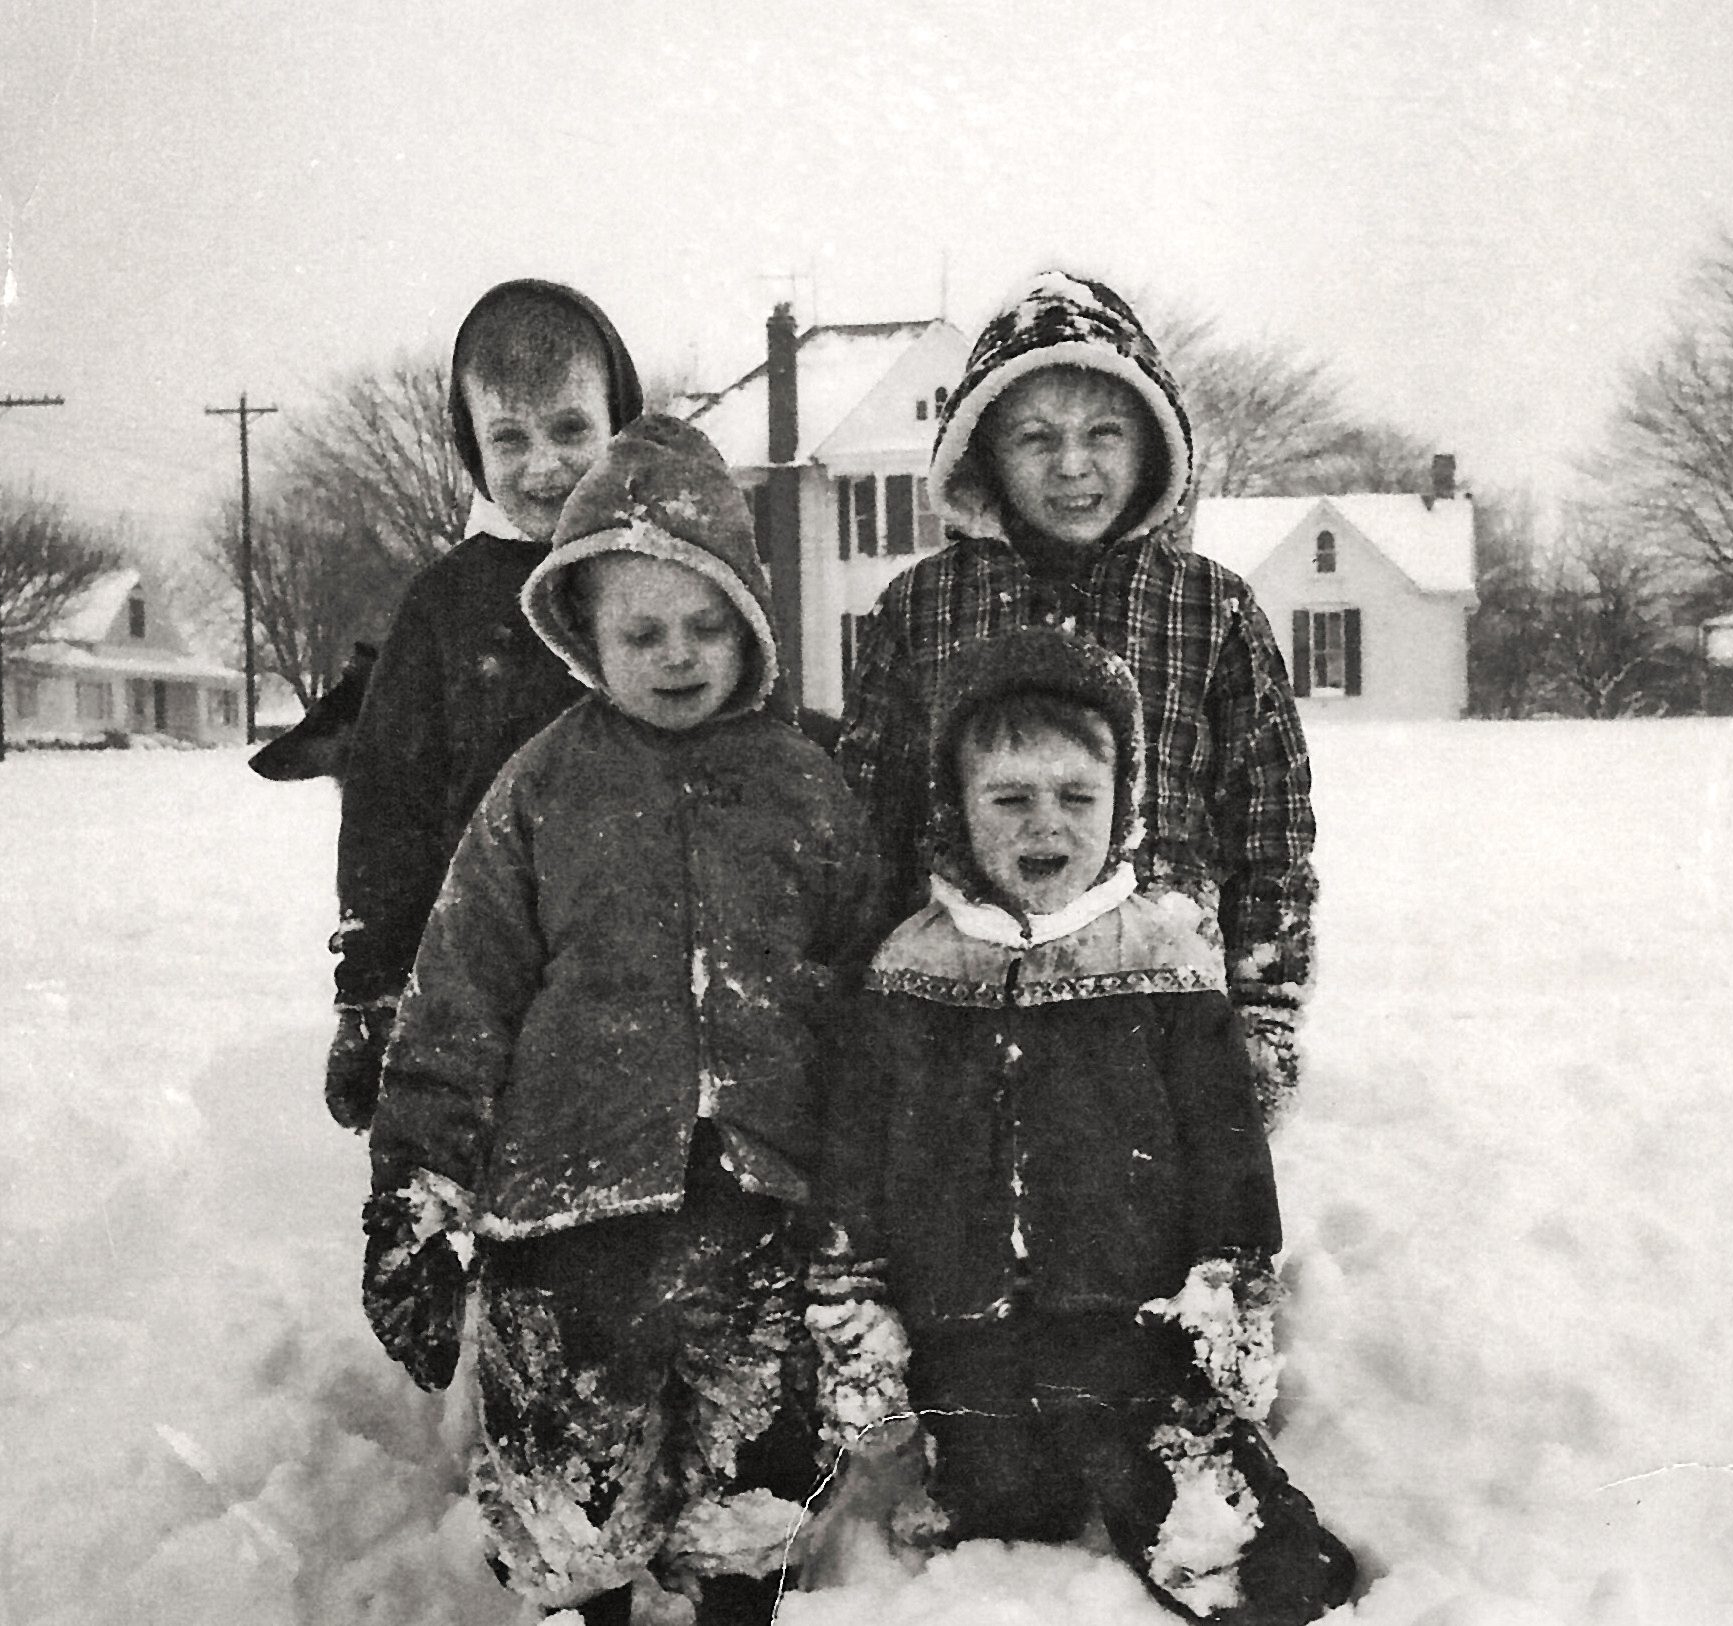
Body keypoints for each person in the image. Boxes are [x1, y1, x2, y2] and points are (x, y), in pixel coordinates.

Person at [361, 413, 876, 1625]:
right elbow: (462, 994)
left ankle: (738, 1596)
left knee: (758, 1481)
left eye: (707, 625)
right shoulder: (538, 788)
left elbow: (863, 998)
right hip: (567, 1220)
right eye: (642, 630)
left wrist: (869, 1184)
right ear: (585, 637)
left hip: (760, 1211)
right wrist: (418, 1190)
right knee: (566, 1496)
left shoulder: (812, 785)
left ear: (751, 620)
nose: (680, 655)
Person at [812, 628, 1356, 1626]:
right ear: (954, 807)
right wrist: (858, 1317)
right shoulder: (908, 969)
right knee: (990, 1561)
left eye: (1075, 797)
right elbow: (856, 1163)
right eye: (1008, 798)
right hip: (962, 1350)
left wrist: (1229, 1283)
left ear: (1125, 803)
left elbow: (1224, 1154)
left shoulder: (1164, 955)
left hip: (1134, 1351)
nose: (1043, 825)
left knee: (1247, 1566)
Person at [834, 271, 1317, 1126]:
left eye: (1104, 432)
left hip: (1160, 1001)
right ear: (983, 452)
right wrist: (865, 1000)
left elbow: (1269, 824)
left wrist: (1264, 1008)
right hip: (965, 998)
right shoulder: (920, 609)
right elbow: (871, 818)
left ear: (1152, 445)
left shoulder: (1213, 608)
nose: (1072, 465)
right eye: (1034, 437)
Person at [325, 278, 646, 1132]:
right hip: (475, 991)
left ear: (620, 419)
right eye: (509, 437)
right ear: (472, 449)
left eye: (571, 428)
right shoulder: (444, 606)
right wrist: (370, 990)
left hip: (646, 987)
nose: (542, 466)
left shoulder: (673, 583)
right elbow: (388, 807)